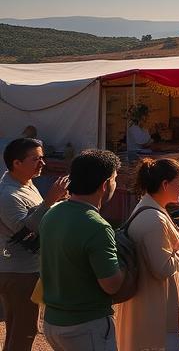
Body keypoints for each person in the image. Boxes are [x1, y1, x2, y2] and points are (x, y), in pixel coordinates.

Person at [40, 150, 126, 351]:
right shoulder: (97, 226)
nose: (116, 184)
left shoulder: (53, 213)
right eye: (115, 179)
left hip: (53, 321)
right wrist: (125, 261)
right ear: (105, 185)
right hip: (85, 324)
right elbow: (111, 285)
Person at [114, 158, 179, 351]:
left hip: (149, 303)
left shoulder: (151, 209)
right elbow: (162, 269)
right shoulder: (154, 218)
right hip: (152, 309)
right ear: (165, 184)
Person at [0, 138, 69, 351]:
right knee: (24, 330)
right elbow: (25, 232)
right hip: (18, 271)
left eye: (42, 158)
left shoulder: (24, 184)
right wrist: (49, 202)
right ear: (16, 163)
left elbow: (38, 217)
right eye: (35, 159)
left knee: (19, 329)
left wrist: (55, 203)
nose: (42, 164)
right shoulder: (7, 194)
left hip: (26, 268)